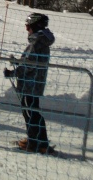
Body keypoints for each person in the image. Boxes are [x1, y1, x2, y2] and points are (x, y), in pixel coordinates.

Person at [4, 12, 56, 154]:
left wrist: (12, 73)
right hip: (33, 83)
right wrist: (17, 62)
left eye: (28, 27)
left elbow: (29, 65)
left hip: (30, 84)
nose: (27, 30)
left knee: (31, 113)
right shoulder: (39, 42)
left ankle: (38, 143)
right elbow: (30, 61)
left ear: (35, 26)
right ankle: (35, 139)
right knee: (31, 112)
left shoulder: (36, 43)